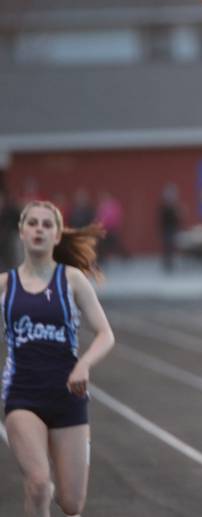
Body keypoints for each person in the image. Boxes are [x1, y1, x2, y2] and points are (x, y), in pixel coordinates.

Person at [1, 200, 115, 517]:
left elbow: (106, 334)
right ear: (21, 232)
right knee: (38, 483)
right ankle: (39, 492)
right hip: (22, 395)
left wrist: (84, 364)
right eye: (32, 223)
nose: (39, 229)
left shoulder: (72, 280)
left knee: (71, 503)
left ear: (57, 236)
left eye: (47, 224)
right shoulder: (5, 285)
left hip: (68, 396)